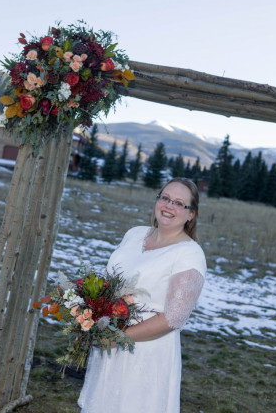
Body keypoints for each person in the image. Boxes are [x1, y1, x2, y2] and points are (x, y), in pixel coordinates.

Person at [78, 177, 206, 413]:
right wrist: (89, 318)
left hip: (146, 352)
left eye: (179, 203)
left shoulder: (189, 254)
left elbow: (173, 318)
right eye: (165, 198)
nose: (169, 206)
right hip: (108, 343)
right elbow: (107, 284)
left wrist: (118, 338)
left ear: (191, 215)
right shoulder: (135, 234)